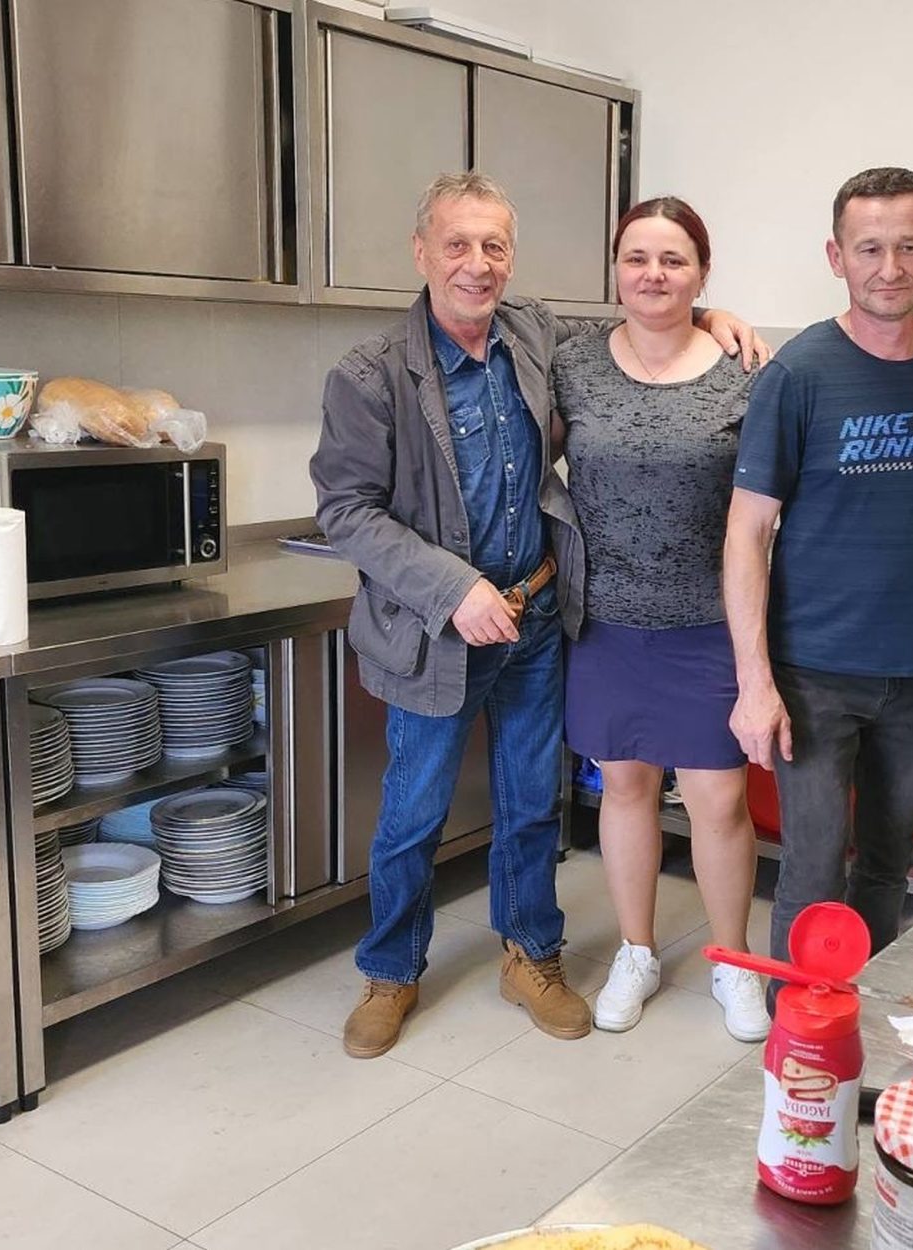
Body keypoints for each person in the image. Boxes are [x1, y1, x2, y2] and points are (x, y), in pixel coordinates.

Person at [311, 171, 763, 1058]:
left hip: (536, 616)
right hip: (436, 631)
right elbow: (347, 511)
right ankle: (390, 972)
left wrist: (714, 317)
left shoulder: (535, 335)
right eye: (457, 244)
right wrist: (454, 590)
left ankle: (530, 956)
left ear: (511, 258)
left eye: (494, 246)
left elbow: (649, 315)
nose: (476, 265)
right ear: (421, 252)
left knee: (529, 805)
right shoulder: (370, 374)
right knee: (413, 813)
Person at [723, 167, 913, 969]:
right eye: (869, 248)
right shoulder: (798, 374)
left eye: (908, 247)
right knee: (812, 874)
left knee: (889, 868)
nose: (889, 267)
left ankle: (865, 1019)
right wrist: (755, 681)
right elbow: (747, 533)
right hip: (815, 675)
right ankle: (796, 1027)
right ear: (836, 256)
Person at [552, 196, 771, 1042]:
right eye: (637, 257)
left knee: (719, 797)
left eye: (674, 260)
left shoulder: (743, 369)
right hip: (606, 620)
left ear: (702, 273)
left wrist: (718, 321)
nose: (653, 274)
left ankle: (734, 961)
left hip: (711, 621)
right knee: (625, 786)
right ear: (615, 268)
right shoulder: (573, 363)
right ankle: (637, 951)